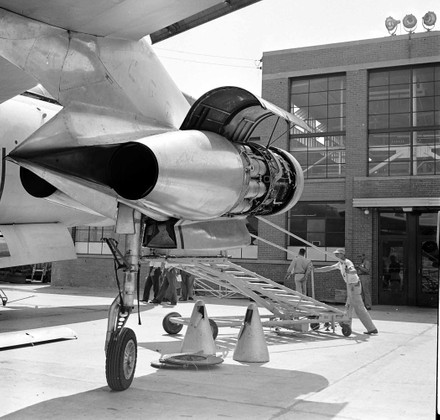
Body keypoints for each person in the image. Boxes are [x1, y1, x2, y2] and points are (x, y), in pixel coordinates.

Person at [314, 248, 378, 335]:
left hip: (354, 286)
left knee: (359, 308)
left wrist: (350, 271)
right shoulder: (339, 263)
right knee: (348, 307)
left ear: (343, 255)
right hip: (350, 285)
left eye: (338, 254)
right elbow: (329, 268)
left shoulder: (347, 262)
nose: (336, 256)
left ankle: (371, 328)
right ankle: (347, 325)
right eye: (336, 254)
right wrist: (316, 270)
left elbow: (353, 270)